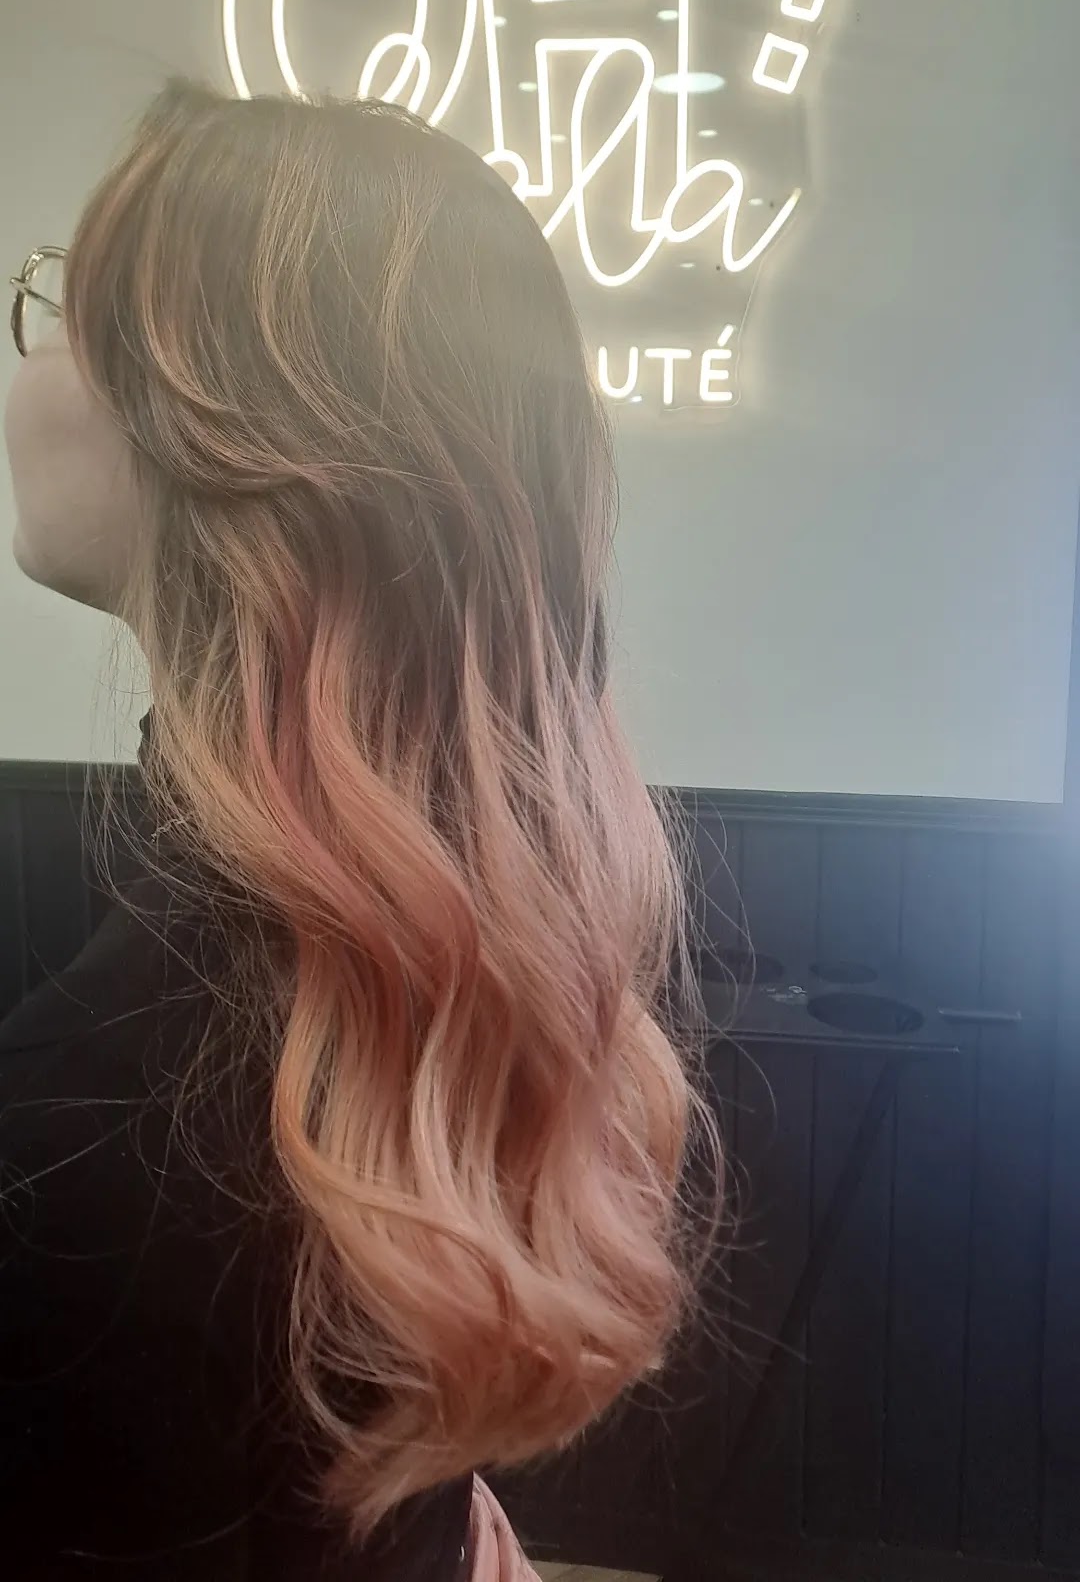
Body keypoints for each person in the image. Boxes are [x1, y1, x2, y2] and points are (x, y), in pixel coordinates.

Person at [1, 82, 720, 1579]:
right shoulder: (430, 965)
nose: (29, 354)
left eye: (64, 303)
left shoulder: (73, 1135)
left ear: (213, 430)